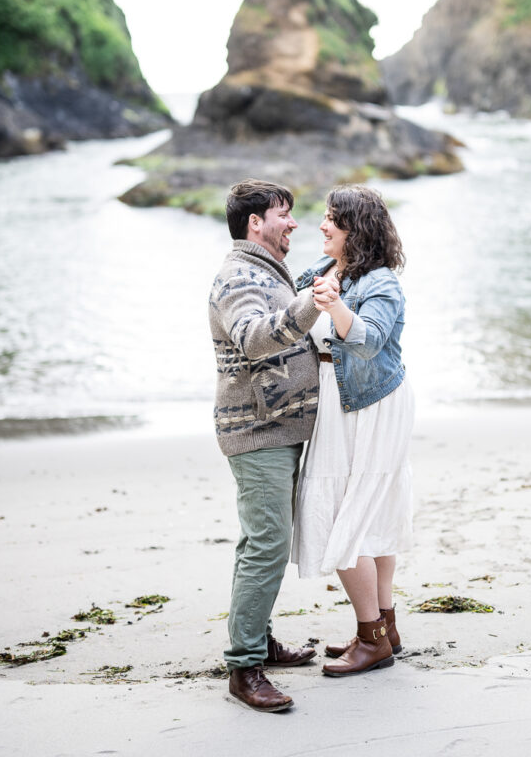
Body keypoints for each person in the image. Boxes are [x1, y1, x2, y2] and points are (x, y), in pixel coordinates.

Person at [208, 178, 321, 712]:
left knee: (261, 542)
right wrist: (310, 306)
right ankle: (244, 668)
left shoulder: (265, 271)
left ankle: (260, 640)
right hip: (256, 432)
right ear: (256, 223)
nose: (293, 223)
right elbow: (254, 338)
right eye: (284, 214)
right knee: (269, 542)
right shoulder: (237, 277)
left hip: (275, 428)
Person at [292, 184, 414, 676]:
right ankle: (385, 626)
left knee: (351, 520)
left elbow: (367, 343)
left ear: (354, 230)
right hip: (340, 405)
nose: (321, 224)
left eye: (331, 219)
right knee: (367, 514)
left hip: (372, 405)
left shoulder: (381, 283)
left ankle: (372, 639)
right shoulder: (325, 270)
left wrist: (336, 306)